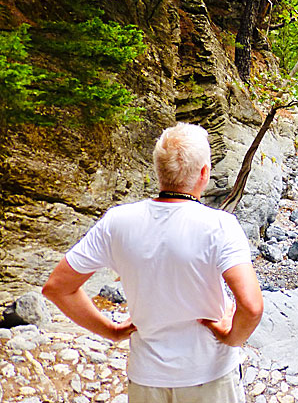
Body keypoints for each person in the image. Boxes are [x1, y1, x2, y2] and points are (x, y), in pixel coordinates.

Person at [42, 122, 263, 403]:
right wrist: (232, 337)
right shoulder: (219, 225)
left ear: (158, 171)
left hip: (147, 377)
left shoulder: (118, 222)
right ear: (204, 173)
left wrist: (110, 330)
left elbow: (58, 287)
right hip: (209, 374)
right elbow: (252, 307)